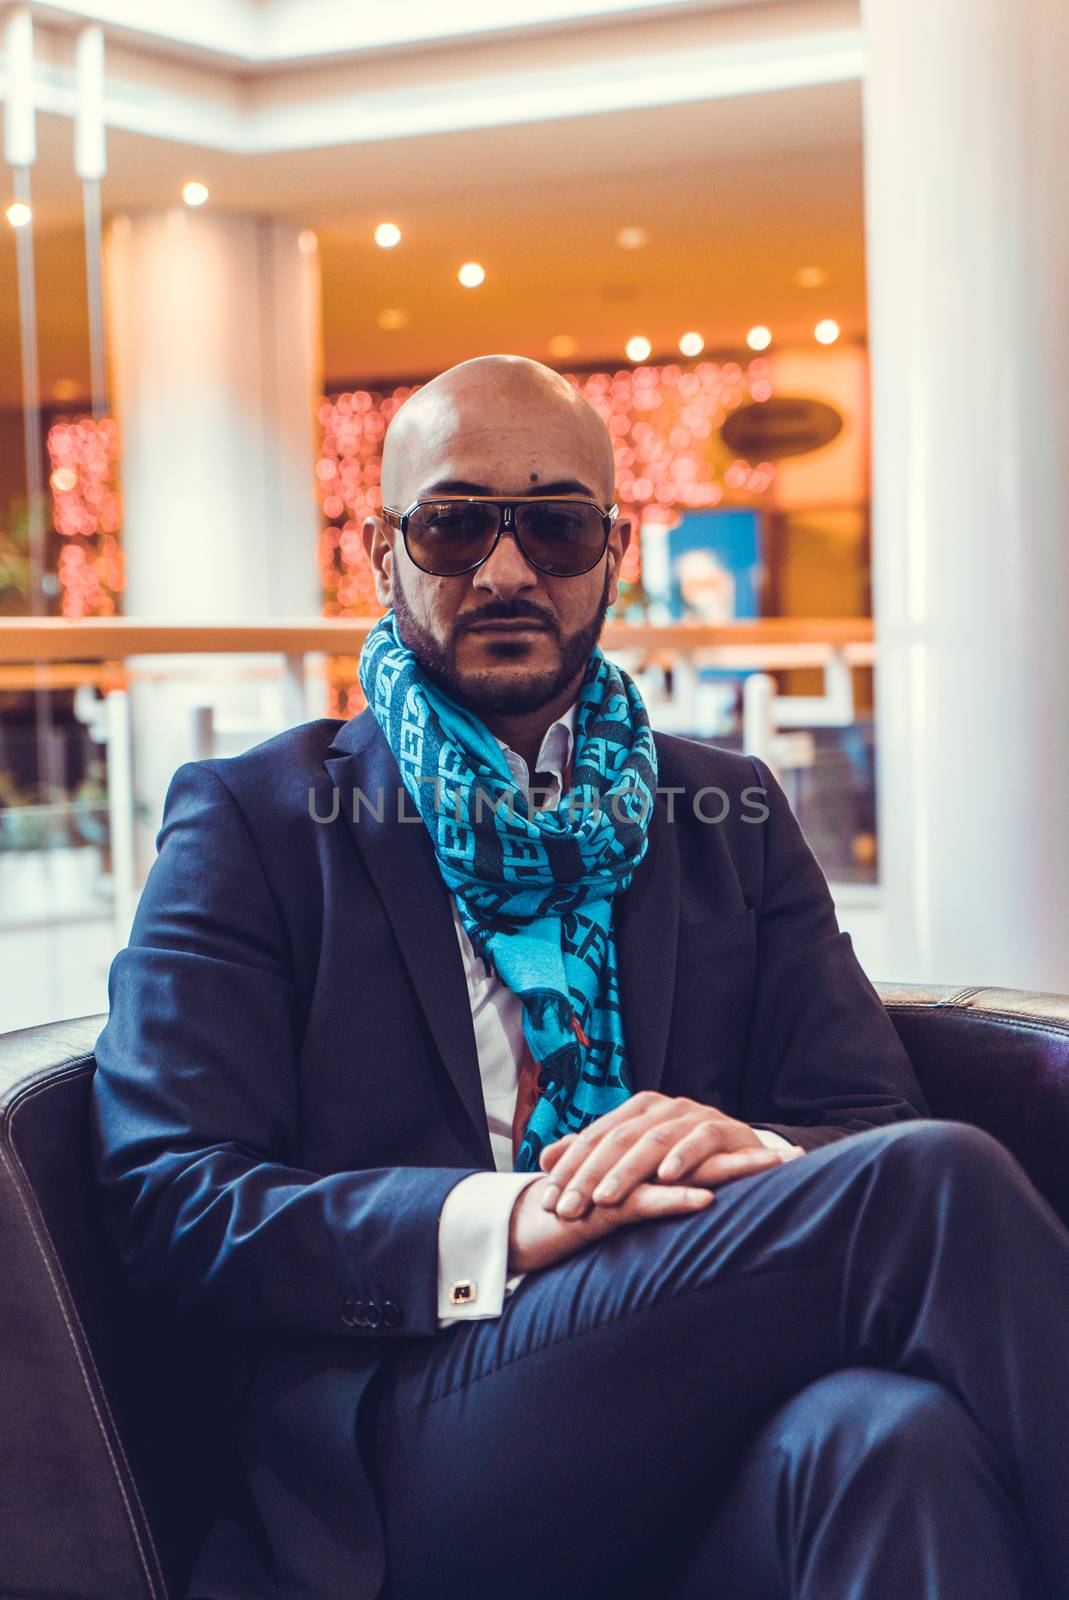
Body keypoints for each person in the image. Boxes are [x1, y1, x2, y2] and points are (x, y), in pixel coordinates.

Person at [90, 355, 1068, 1600]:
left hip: (696, 1415)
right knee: (930, 1187)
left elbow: (868, 1116)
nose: (505, 571)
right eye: (453, 526)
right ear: (385, 558)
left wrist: (742, 1143)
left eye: (553, 525)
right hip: (411, 1446)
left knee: (892, 1443)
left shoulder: (724, 811)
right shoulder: (259, 822)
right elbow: (172, 1200)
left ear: (614, 550)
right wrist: (507, 1222)